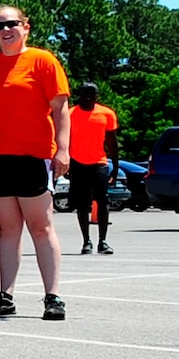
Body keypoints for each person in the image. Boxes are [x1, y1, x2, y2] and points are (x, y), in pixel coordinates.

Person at [0, 4, 70, 321]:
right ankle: (5, 295)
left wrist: (62, 150)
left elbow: (60, 109)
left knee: (41, 227)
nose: (5, 30)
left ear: (26, 27)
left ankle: (53, 297)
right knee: (8, 229)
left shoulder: (43, 61)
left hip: (32, 156)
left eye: (12, 24)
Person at [68, 83, 121, 256]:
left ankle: (103, 241)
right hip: (77, 162)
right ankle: (86, 241)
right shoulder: (69, 114)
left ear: (98, 95)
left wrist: (115, 166)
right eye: (86, 93)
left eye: (93, 93)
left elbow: (112, 142)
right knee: (82, 203)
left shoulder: (106, 114)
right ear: (79, 95)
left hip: (99, 162)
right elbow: (62, 138)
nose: (89, 96)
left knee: (103, 201)